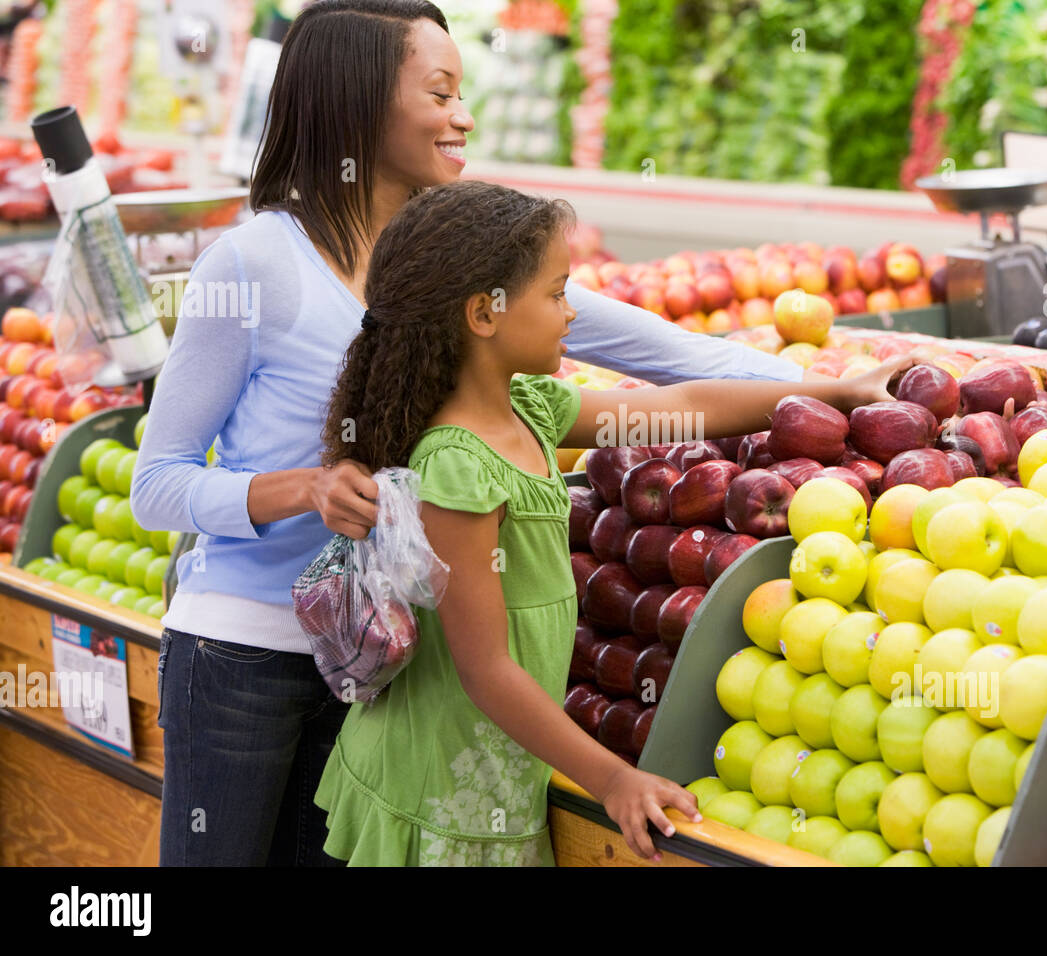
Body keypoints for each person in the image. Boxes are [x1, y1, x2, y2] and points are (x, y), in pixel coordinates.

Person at [131, 0, 812, 867]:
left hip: (382, 663)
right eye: (441, 91)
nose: (465, 115)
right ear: (359, 102)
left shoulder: (448, 255)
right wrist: (301, 489)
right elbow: (158, 486)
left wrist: (817, 392)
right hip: (245, 655)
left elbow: (653, 348)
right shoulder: (254, 264)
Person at [312, 180, 911, 865]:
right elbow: (485, 670)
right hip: (441, 783)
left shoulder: (530, 407)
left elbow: (684, 405)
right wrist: (613, 777)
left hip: (496, 764)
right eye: (557, 292)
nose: (571, 313)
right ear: (484, 314)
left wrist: (836, 392)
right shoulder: (457, 467)